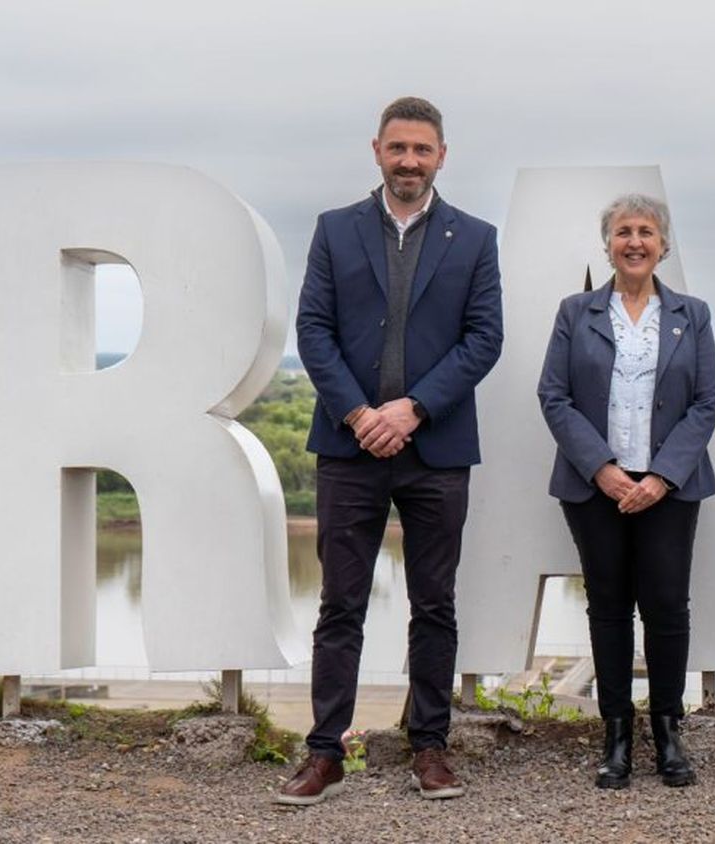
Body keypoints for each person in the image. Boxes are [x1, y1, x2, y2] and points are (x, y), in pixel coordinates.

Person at [278, 96, 504, 805]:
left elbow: (483, 338)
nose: (410, 161)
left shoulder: (474, 238)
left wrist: (411, 409)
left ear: (442, 155)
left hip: (436, 448)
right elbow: (313, 329)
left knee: (434, 603)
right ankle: (325, 753)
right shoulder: (334, 230)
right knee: (341, 604)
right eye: (398, 148)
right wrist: (357, 413)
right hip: (350, 449)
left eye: (423, 150)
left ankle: (430, 748)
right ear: (376, 149)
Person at [537, 194, 715, 788]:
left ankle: (667, 732)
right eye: (623, 232)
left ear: (663, 244)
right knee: (609, 609)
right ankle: (616, 735)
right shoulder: (575, 311)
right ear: (608, 244)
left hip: (670, 488)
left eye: (646, 232)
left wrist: (662, 476)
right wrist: (603, 469)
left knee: (668, 609)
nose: (635, 242)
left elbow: (707, 400)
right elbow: (554, 395)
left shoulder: (692, 314)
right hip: (596, 489)